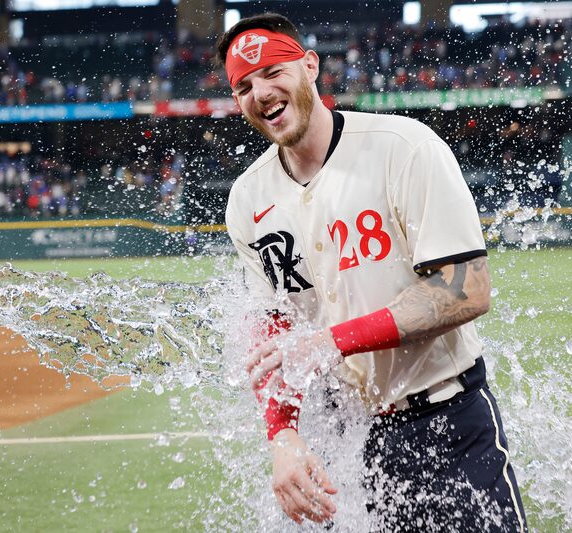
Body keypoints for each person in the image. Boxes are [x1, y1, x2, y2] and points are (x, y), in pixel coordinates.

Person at [217, 13, 527, 531]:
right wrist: (284, 436)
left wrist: (328, 342)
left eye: (274, 71)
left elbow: (466, 289)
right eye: (244, 85)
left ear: (310, 66)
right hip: (357, 440)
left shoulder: (403, 147)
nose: (261, 91)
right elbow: (273, 326)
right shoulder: (248, 200)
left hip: (450, 421)